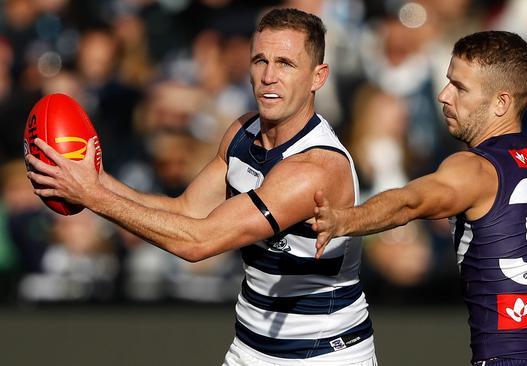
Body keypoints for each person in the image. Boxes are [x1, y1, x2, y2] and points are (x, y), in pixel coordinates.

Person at [25, 8, 377, 366]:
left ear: (318, 77)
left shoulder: (315, 168)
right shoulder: (243, 132)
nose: (269, 76)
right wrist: (96, 180)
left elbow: (198, 241)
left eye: (286, 64)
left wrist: (93, 196)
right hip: (250, 349)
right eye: (260, 60)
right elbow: (188, 210)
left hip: (323, 355)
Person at [312, 31, 527, 365]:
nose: (444, 96)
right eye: (448, 82)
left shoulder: (477, 170)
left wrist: (344, 219)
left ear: (501, 103)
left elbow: (409, 202)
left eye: (459, 87)